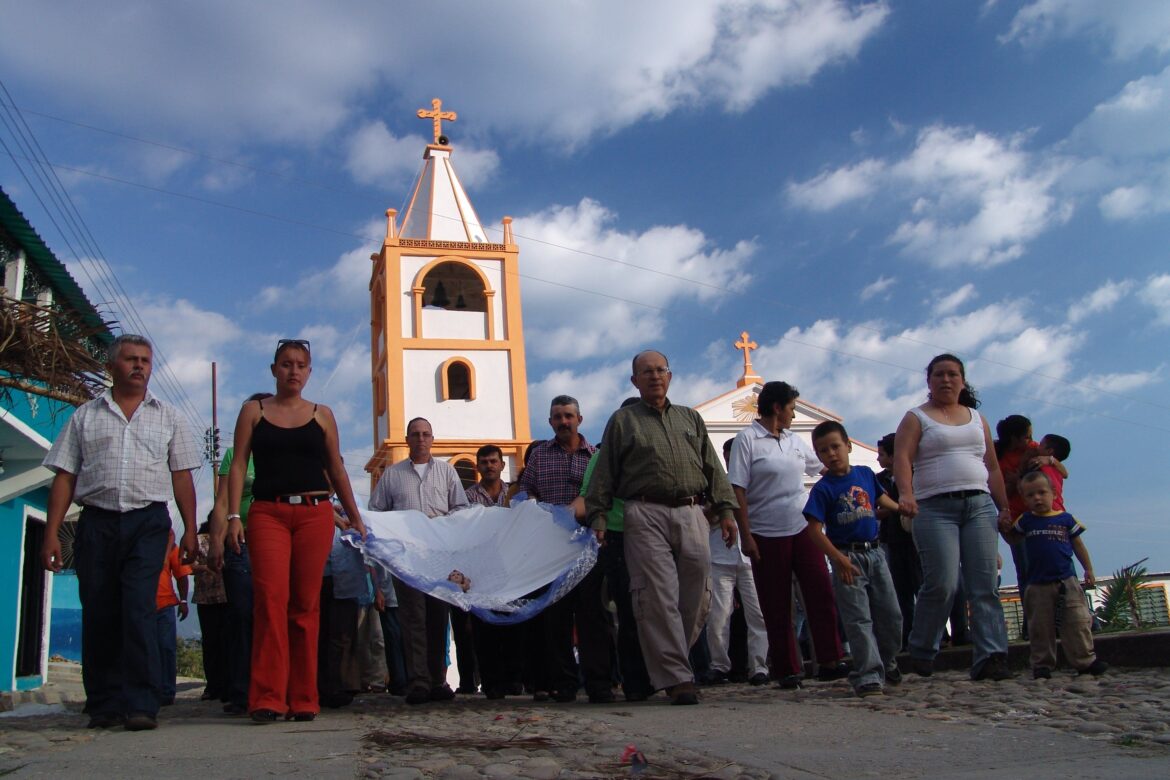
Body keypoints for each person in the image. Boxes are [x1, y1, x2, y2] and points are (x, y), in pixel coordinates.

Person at [41, 334, 201, 732]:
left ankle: (141, 703)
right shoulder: (85, 416)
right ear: (112, 366)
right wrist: (50, 532)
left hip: (148, 522)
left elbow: (181, 477)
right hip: (96, 522)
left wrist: (190, 531)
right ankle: (104, 703)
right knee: (99, 609)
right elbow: (65, 477)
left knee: (138, 607)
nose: (139, 366)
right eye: (131, 359)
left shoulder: (168, 416)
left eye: (145, 360)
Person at [584, 350, 738, 706]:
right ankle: (678, 677)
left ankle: (672, 659)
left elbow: (712, 466)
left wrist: (726, 509)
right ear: (634, 381)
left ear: (670, 376)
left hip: (690, 509)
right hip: (644, 512)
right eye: (646, 372)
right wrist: (599, 517)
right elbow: (604, 472)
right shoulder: (623, 420)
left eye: (660, 370)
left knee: (697, 588)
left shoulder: (691, 418)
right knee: (657, 595)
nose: (654, 376)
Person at [227, 338, 366, 723]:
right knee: (270, 601)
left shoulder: (322, 414)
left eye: (301, 365)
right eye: (286, 364)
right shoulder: (252, 411)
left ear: (309, 372)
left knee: (306, 605)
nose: (293, 371)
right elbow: (237, 465)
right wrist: (231, 517)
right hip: (267, 514)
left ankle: (304, 698)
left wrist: (354, 515)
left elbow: (336, 468)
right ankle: (268, 697)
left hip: (315, 514)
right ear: (274, 370)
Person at [894, 353, 1013, 681]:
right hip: (934, 508)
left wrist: (1004, 507)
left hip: (978, 506)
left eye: (953, 374)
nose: (946, 380)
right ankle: (922, 647)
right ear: (929, 381)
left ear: (962, 380)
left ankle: (991, 656)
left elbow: (992, 467)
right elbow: (902, 457)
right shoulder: (916, 418)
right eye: (939, 375)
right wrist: (906, 493)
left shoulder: (977, 418)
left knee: (984, 585)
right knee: (942, 583)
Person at [727, 381, 848, 690]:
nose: (795, 414)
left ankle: (830, 660)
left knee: (820, 592)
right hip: (766, 532)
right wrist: (747, 534)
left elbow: (821, 468)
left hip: (802, 528)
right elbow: (737, 489)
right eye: (792, 408)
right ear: (778, 408)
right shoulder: (747, 440)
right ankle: (786, 668)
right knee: (777, 603)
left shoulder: (795, 440)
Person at [518, 395, 615, 704]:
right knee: (556, 618)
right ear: (550, 422)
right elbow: (525, 490)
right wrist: (532, 507)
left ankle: (600, 683)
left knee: (593, 617)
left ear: (579, 419)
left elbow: (604, 495)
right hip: (552, 548)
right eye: (557, 417)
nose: (563, 422)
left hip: (589, 546)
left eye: (568, 416)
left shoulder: (595, 456)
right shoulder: (539, 456)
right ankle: (564, 683)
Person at [368, 416, 468, 705]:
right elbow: (377, 511)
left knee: (438, 619)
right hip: (407, 559)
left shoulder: (448, 473)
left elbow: (461, 509)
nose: (421, 439)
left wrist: (441, 525)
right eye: (415, 434)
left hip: (439, 558)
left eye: (426, 434)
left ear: (432, 439)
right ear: (408, 439)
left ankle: (438, 680)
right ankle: (419, 682)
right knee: (413, 619)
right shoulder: (392, 475)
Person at [803, 422, 903, 697]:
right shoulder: (823, 490)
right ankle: (868, 674)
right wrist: (837, 558)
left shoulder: (866, 474)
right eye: (823, 451)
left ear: (848, 446)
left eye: (835, 447)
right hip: (847, 558)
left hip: (875, 553)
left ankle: (887, 660)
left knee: (891, 615)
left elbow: (882, 500)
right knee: (858, 619)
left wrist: (902, 509)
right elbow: (814, 530)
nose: (831, 454)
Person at [574, 401, 654, 702]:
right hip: (616, 537)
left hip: (652, 535)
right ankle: (626, 681)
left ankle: (652, 676)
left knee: (648, 610)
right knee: (621, 611)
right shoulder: (604, 454)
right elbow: (590, 496)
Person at [1006, 471, 1107, 679]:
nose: (1037, 498)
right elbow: (1013, 539)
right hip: (1037, 583)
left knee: (1077, 622)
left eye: (1042, 493)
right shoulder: (1025, 521)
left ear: (1053, 493)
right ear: (1024, 498)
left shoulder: (1066, 519)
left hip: (1066, 580)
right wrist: (1003, 528)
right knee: (1040, 626)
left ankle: (1085, 660)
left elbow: (1078, 545)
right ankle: (1042, 664)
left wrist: (1088, 569)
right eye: (1031, 495)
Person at [206, 392, 271, 717]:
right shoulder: (235, 453)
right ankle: (242, 689)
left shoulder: (283, 449)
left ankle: (271, 687)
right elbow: (220, 501)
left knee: (272, 615)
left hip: (275, 543)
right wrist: (216, 540)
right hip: (240, 543)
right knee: (241, 615)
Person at [704, 438, 769, 687]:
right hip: (720, 554)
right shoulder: (714, 484)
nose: (733, 460)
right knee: (718, 615)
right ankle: (719, 665)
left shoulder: (757, 482)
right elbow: (704, 516)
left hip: (751, 555)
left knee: (758, 614)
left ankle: (759, 666)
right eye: (728, 456)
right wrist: (717, 507)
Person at [466, 444, 527, 700]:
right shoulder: (468, 496)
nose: (489, 466)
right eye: (484, 462)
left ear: (503, 465)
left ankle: (514, 680)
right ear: (477, 466)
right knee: (484, 630)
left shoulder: (514, 493)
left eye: (494, 461)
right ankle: (491, 683)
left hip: (511, 568)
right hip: (481, 570)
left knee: (513, 626)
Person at [874, 433, 920, 649]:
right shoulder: (881, 479)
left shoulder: (913, 476)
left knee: (920, 585)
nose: (878, 459)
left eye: (882, 454)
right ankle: (907, 634)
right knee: (901, 591)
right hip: (892, 539)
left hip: (912, 539)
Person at [192, 519, 229, 703]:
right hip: (210, 597)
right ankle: (214, 685)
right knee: (212, 641)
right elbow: (188, 564)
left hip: (220, 596)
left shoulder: (226, 537)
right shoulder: (200, 540)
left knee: (220, 641)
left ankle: (221, 684)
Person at [155, 529, 192, 706]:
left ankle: (167, 691)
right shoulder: (140, 546)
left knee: (166, 648)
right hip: (141, 605)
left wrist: (184, 600)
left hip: (165, 604)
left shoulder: (172, 549)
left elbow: (182, 575)